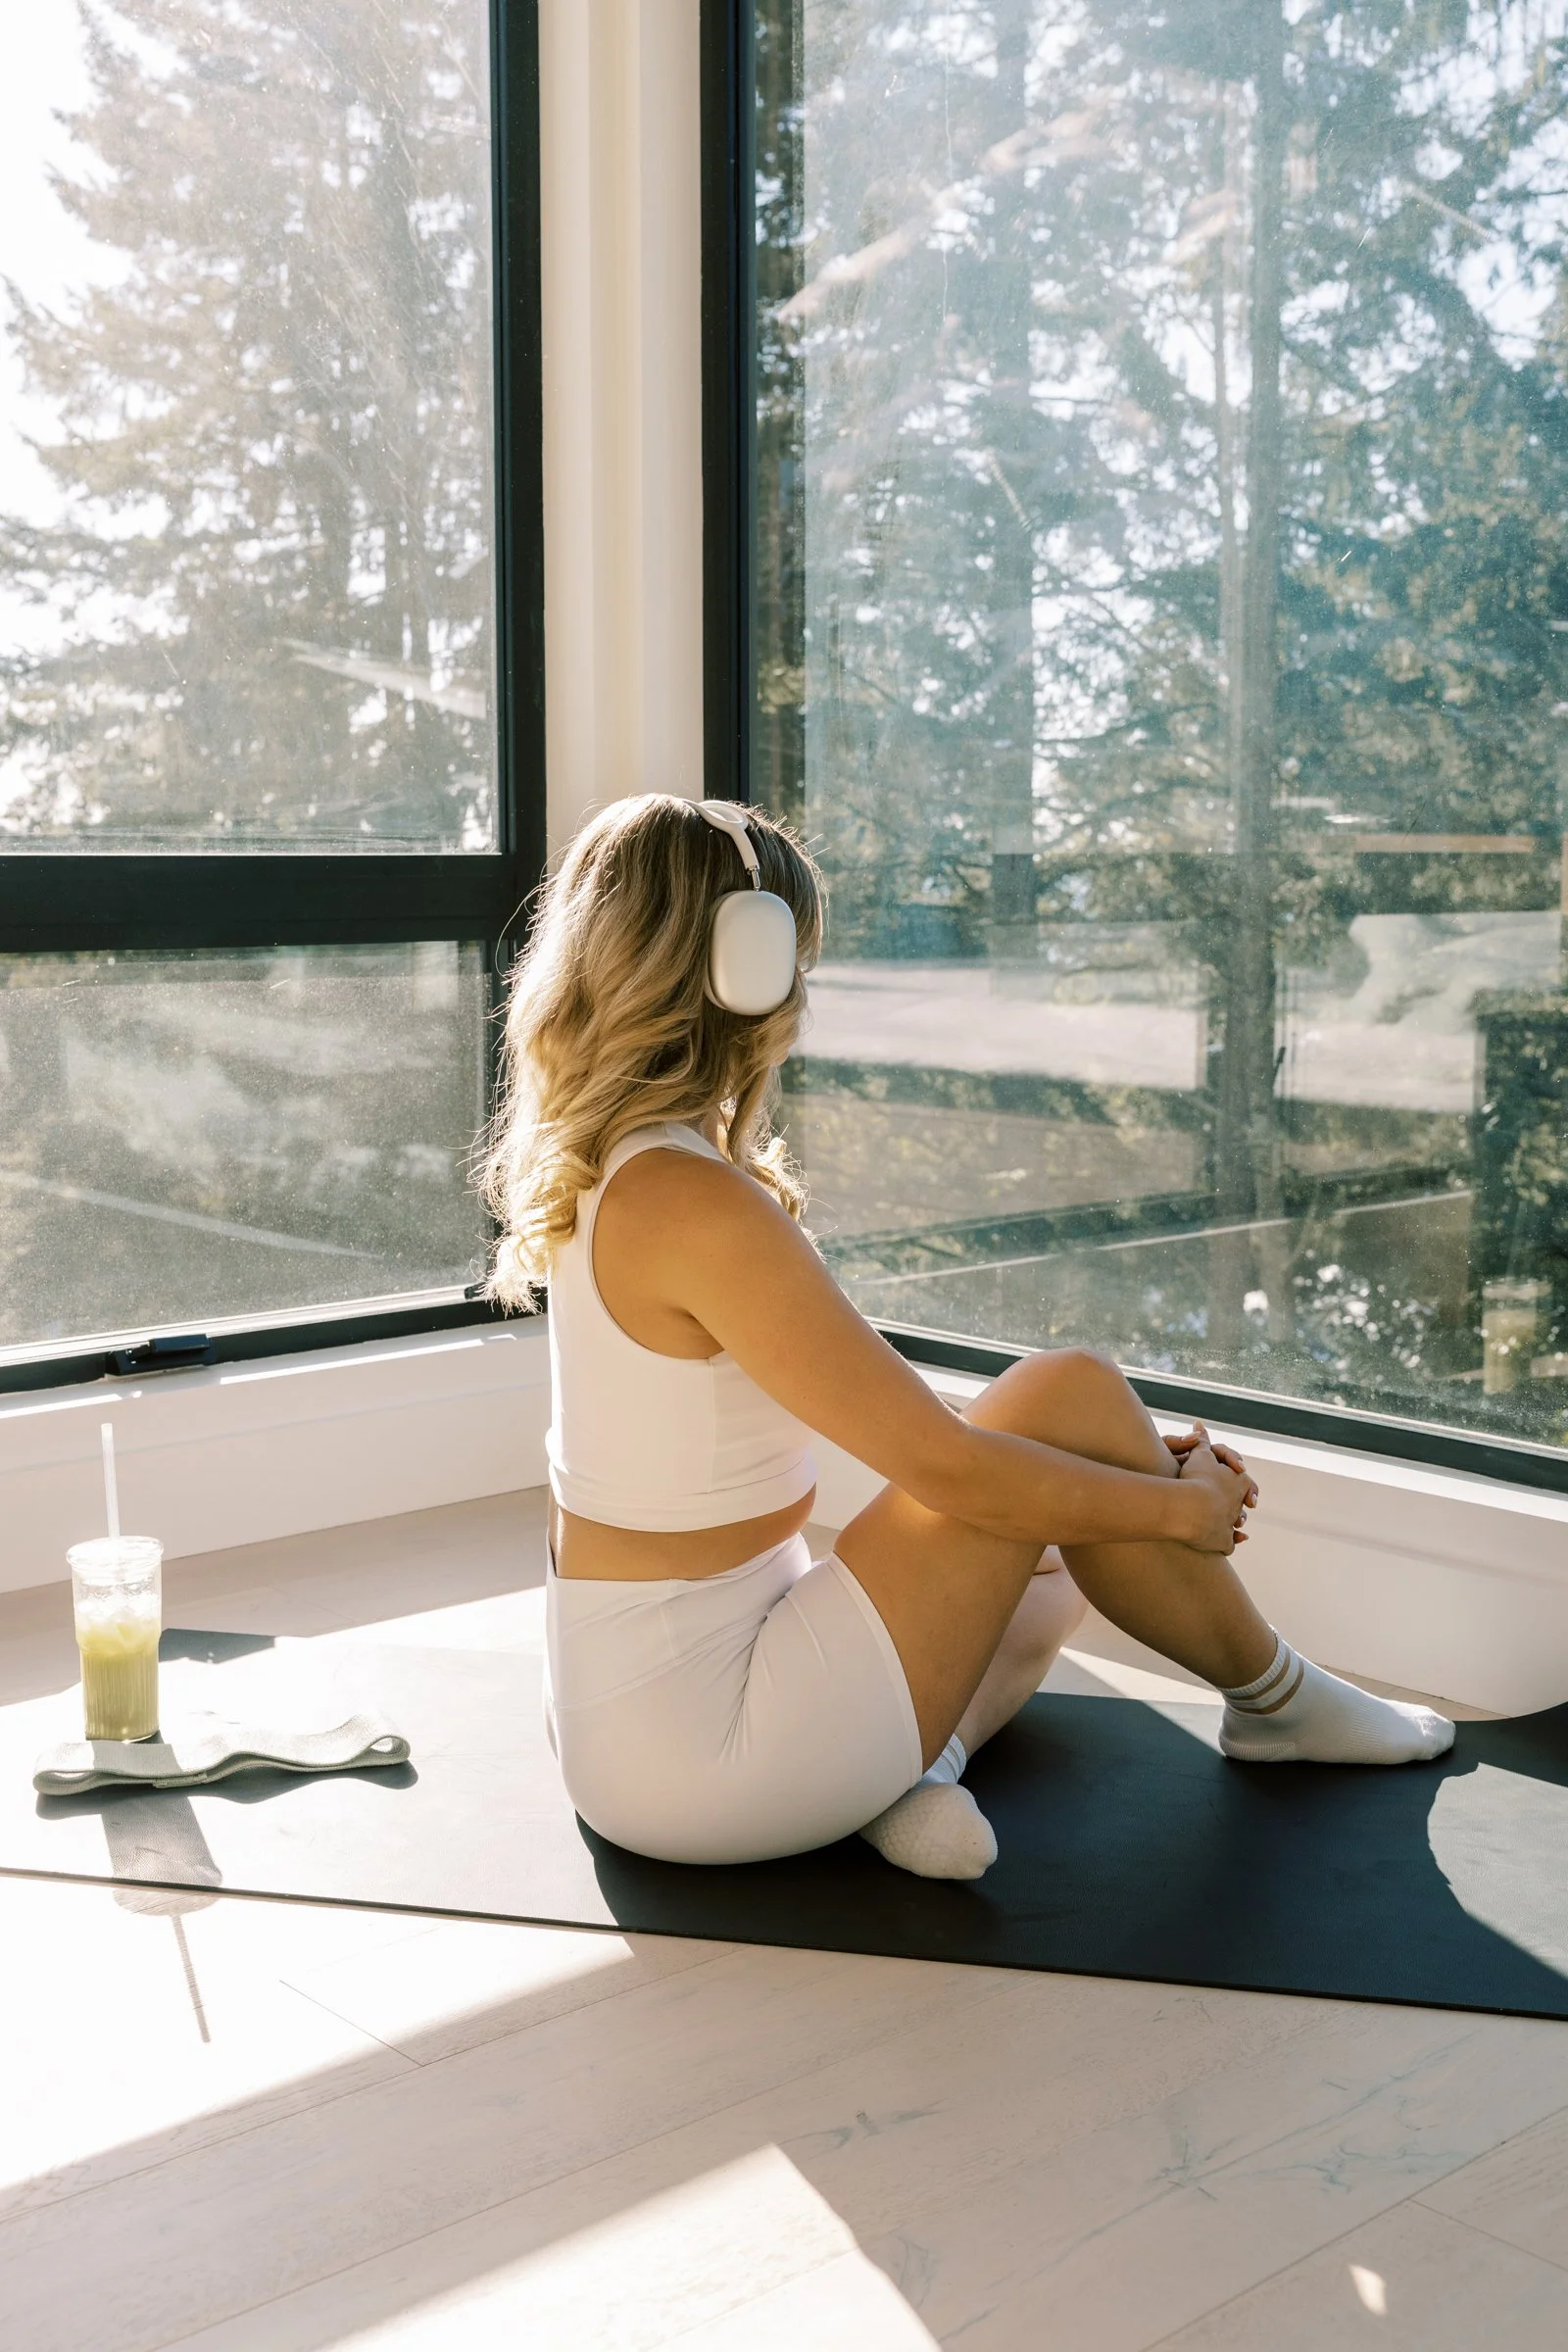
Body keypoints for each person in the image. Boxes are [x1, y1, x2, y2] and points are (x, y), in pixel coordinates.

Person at [479, 794, 1454, 1882]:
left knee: (1060, 1536)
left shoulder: (623, 1165)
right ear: (740, 971)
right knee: (1070, 1396)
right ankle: (1277, 1703)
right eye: (793, 958)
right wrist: (1180, 1510)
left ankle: (916, 1764)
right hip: (707, 1750)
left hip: (645, 1716)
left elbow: (898, 1428)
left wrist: (1113, 1480)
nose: (802, 991)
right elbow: (943, 1464)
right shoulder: (692, 1203)